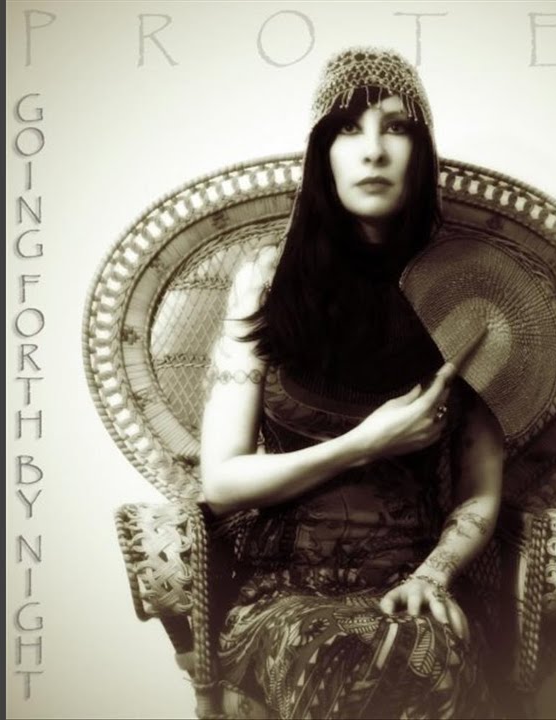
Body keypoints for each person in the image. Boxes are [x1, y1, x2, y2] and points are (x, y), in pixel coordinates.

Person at [198, 47, 506, 719]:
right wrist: (366, 443)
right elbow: (220, 483)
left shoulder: (471, 293)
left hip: (411, 587)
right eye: (347, 129)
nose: (373, 150)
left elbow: (481, 488)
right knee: (339, 653)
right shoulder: (265, 284)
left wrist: (434, 576)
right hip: (282, 595)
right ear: (322, 154)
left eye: (396, 128)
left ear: (421, 153)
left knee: (416, 652)